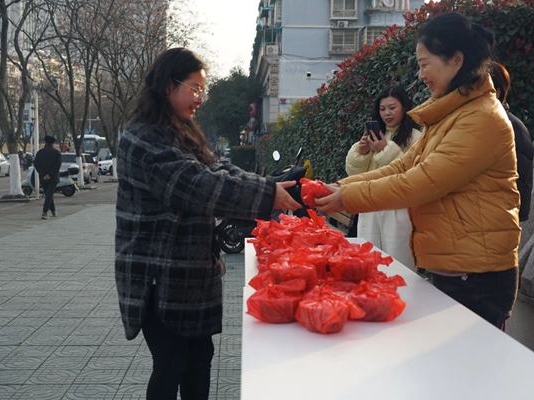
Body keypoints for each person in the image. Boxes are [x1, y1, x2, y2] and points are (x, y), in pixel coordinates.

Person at [114, 47, 301, 400]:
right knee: (171, 363)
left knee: (199, 358)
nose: (200, 98)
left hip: (191, 272)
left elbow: (217, 168)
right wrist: (266, 194)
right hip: (158, 275)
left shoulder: (180, 129)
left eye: (204, 89)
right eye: (195, 89)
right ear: (168, 86)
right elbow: (196, 186)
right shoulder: (142, 138)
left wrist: (269, 183)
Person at [315, 12, 520, 330]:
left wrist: (349, 197)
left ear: (456, 60)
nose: (421, 74)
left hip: (479, 274)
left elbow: (421, 182)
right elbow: (403, 166)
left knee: (471, 359)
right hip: (456, 265)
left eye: (425, 64)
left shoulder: (481, 119)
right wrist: (341, 186)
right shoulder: (451, 115)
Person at [345, 86, 422, 269]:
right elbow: (355, 175)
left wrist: (384, 150)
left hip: (398, 208)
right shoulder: (375, 135)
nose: (387, 113)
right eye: (382, 109)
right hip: (370, 205)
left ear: (404, 108)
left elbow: (412, 172)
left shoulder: (416, 137)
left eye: (392, 107)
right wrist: (361, 153)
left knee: (398, 264)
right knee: (370, 262)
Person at [489, 61, 534, 222]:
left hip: (500, 217)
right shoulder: (481, 124)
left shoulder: (512, 127)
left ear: (497, 92)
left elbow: (521, 179)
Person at [33, 135, 62, 219]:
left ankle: (53, 210)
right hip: (53, 177)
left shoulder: (40, 152)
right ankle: (45, 212)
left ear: (45, 142)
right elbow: (57, 165)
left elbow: (36, 164)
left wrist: (43, 174)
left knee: (48, 194)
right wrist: (50, 174)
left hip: (43, 177)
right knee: (49, 195)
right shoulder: (56, 152)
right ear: (53, 142)